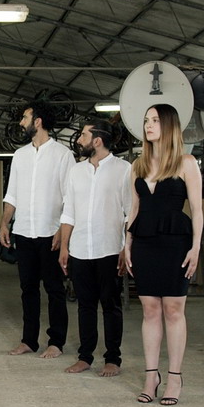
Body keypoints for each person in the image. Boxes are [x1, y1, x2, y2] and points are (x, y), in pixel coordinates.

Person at [125, 104, 202, 406]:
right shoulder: (138, 166)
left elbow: (196, 211)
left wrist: (196, 247)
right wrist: (127, 243)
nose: (149, 125)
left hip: (176, 241)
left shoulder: (186, 163)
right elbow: (134, 209)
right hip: (144, 240)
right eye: (146, 120)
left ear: (169, 125)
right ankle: (150, 376)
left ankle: (175, 377)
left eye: (155, 120)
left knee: (173, 309)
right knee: (149, 310)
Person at [0, 101, 73, 359]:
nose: (21, 123)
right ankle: (29, 340)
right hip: (24, 231)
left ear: (38, 121)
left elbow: (70, 198)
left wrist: (61, 232)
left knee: (54, 289)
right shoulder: (20, 155)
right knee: (27, 288)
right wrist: (5, 223)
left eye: (25, 117)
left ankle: (56, 342)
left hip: (50, 232)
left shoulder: (63, 155)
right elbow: (12, 195)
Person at [58, 119, 131, 378]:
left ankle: (113, 358)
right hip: (80, 249)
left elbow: (130, 213)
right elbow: (69, 212)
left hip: (109, 248)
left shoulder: (124, 170)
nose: (79, 140)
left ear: (97, 140)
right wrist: (64, 247)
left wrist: (126, 248)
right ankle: (85, 357)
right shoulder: (76, 171)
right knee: (85, 305)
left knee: (111, 305)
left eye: (84, 135)